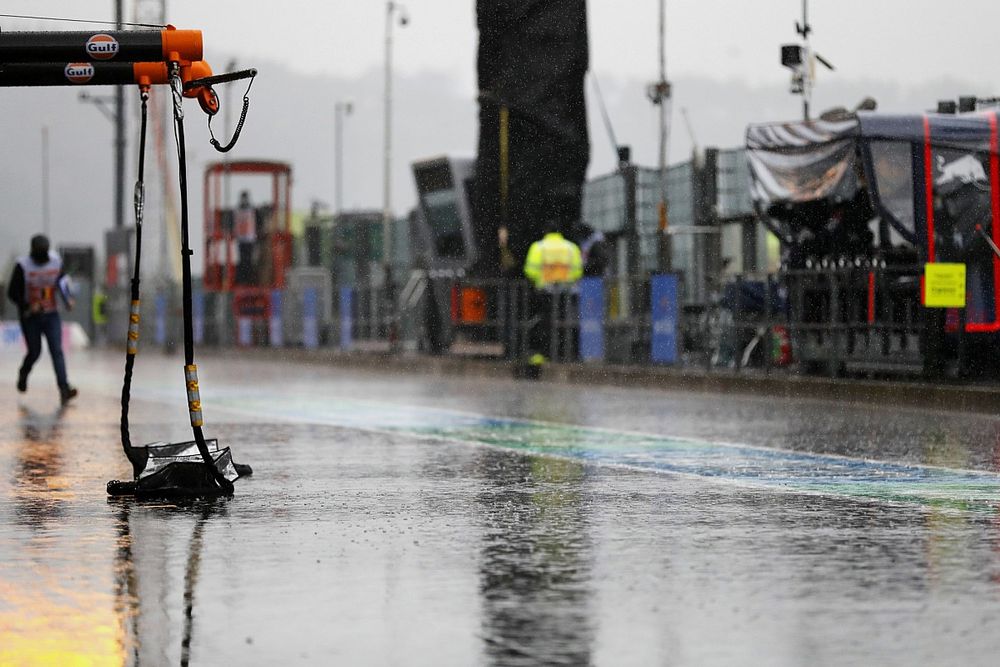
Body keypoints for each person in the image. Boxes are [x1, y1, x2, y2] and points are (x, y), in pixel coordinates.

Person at [7, 234, 78, 404]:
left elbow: (62, 282)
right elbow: (12, 292)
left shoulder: (56, 262)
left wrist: (67, 299)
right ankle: (24, 373)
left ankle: (64, 388)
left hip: (51, 314)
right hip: (30, 317)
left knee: (57, 350)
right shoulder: (22, 266)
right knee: (35, 351)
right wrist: (27, 306)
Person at [523, 222, 583, 364]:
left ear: (545, 231)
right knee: (565, 323)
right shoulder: (571, 247)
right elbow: (578, 271)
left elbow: (530, 271)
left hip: (545, 292)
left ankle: (545, 354)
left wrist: (541, 279)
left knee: (545, 323)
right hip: (566, 293)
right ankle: (566, 354)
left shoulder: (538, 247)